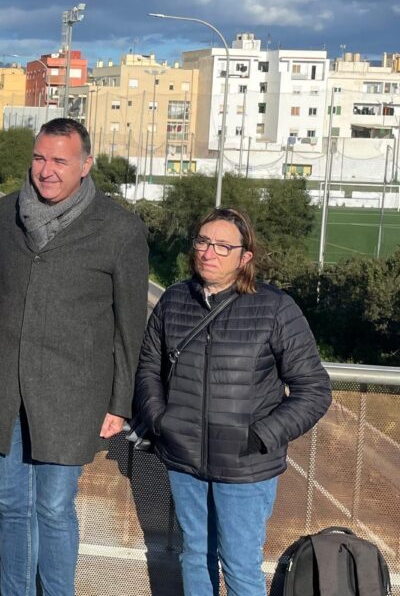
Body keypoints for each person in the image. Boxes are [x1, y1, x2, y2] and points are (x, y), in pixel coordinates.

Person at [0, 117, 149, 596]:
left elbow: (129, 327)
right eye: (39, 158)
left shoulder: (120, 230)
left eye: (59, 161)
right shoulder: (8, 210)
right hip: (6, 389)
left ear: (86, 165)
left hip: (73, 396)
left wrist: (120, 403)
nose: (45, 170)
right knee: (11, 505)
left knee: (52, 507)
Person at [134, 208, 331, 596]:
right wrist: (160, 420)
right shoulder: (174, 300)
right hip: (184, 458)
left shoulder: (276, 308)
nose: (209, 252)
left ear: (245, 257)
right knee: (194, 555)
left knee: (239, 564)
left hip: (246, 466)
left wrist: (260, 436)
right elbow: (148, 369)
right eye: (203, 241)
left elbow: (314, 390)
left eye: (223, 246)